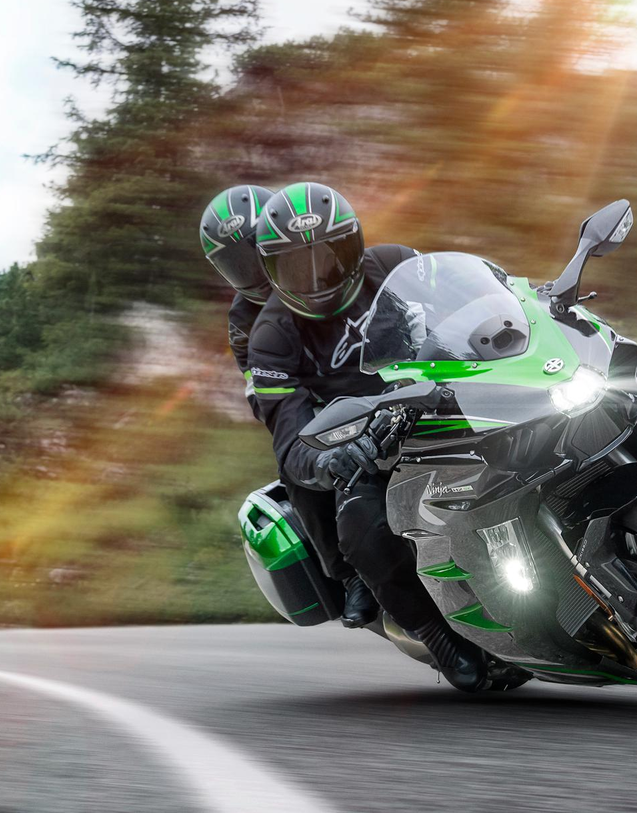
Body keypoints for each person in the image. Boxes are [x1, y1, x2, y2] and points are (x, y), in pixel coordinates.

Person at [248, 181, 488, 691]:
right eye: (296, 266)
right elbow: (288, 438)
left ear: (354, 246)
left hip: (446, 393)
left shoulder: (396, 262)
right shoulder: (270, 335)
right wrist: (327, 458)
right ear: (270, 271)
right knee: (362, 527)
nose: (317, 276)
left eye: (330, 256)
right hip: (363, 435)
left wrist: (531, 303)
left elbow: (478, 294)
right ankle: (434, 634)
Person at [200, 184, 379, 628]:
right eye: (237, 262)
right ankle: (349, 574)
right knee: (297, 466)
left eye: (255, 252)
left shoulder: (339, 274)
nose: (253, 270)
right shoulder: (245, 320)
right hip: (318, 408)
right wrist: (306, 414)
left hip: (382, 377)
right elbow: (261, 390)